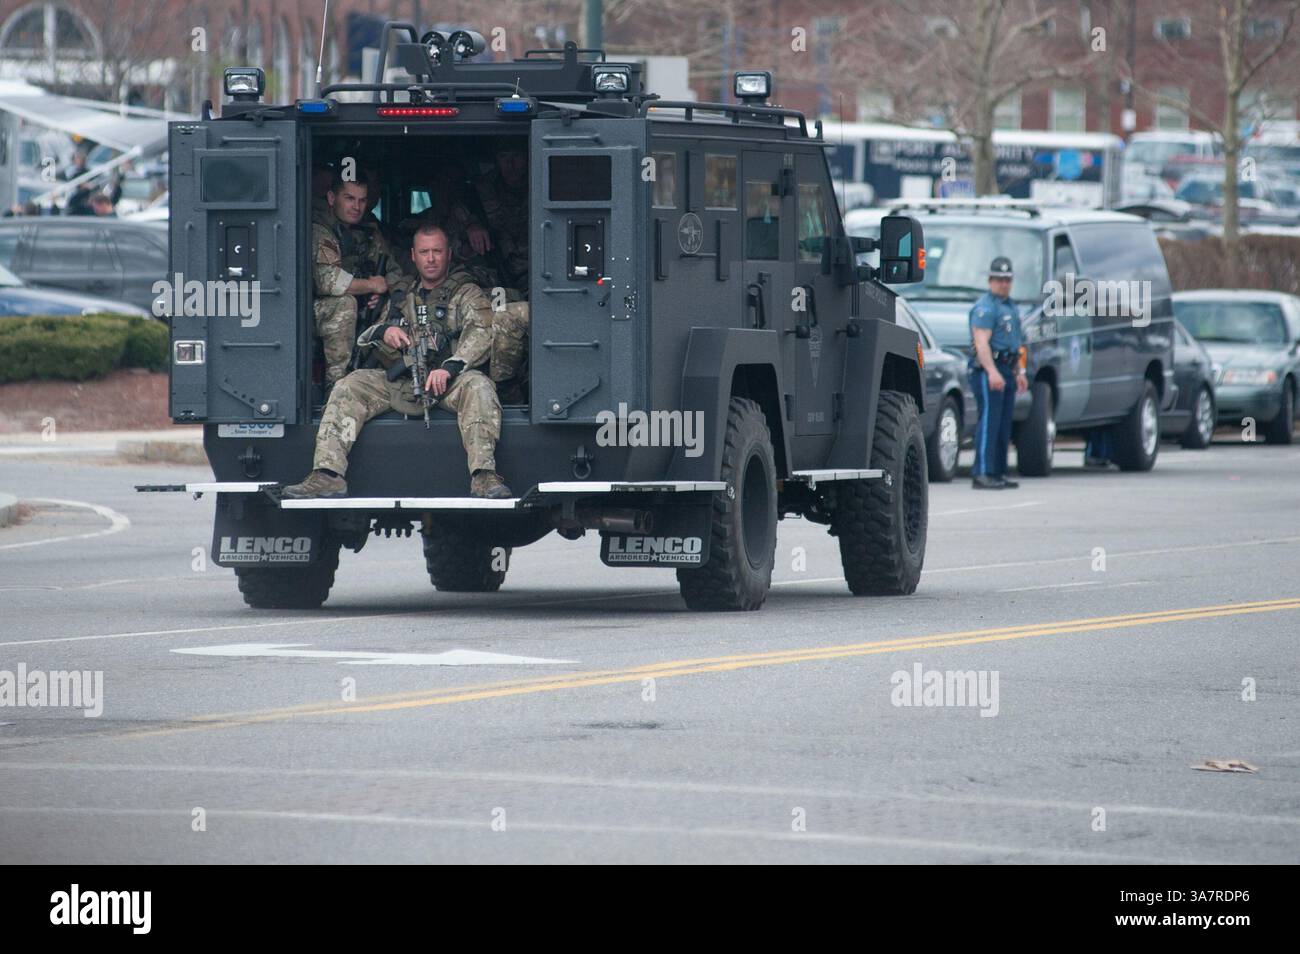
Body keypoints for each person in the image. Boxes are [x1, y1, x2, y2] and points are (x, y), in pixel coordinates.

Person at [284, 222, 512, 500]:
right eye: (424, 252)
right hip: (400, 380)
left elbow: (482, 331)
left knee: (479, 385)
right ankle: (327, 475)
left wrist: (450, 367)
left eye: (437, 252)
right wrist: (385, 331)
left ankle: (484, 477)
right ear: (413, 256)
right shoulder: (401, 294)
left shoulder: (466, 292)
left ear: (448, 255)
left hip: (447, 383)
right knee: (349, 385)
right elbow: (366, 337)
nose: (431, 259)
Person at [311, 173, 404, 387]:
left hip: (360, 304)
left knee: (399, 301)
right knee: (344, 304)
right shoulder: (320, 230)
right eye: (349, 199)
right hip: (314, 311)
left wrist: (383, 292)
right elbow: (330, 281)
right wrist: (372, 285)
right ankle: (336, 385)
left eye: (362, 200)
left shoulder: (367, 232)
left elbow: (395, 273)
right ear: (332, 199)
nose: (356, 207)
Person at [968, 256, 1028, 489]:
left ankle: (998, 471)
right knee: (989, 422)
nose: (1004, 284)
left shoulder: (1010, 306)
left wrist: (1019, 371)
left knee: (1004, 424)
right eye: (999, 279)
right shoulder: (986, 307)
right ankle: (982, 472)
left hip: (1008, 367)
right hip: (988, 368)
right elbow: (981, 343)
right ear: (990, 280)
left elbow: (1017, 343)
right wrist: (992, 372)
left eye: (1007, 279)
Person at [473, 145, 529, 294]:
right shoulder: (483, 188)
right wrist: (471, 225)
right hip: (498, 271)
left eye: (516, 156)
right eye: (503, 157)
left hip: (535, 270)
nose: (510, 164)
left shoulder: (542, 183)